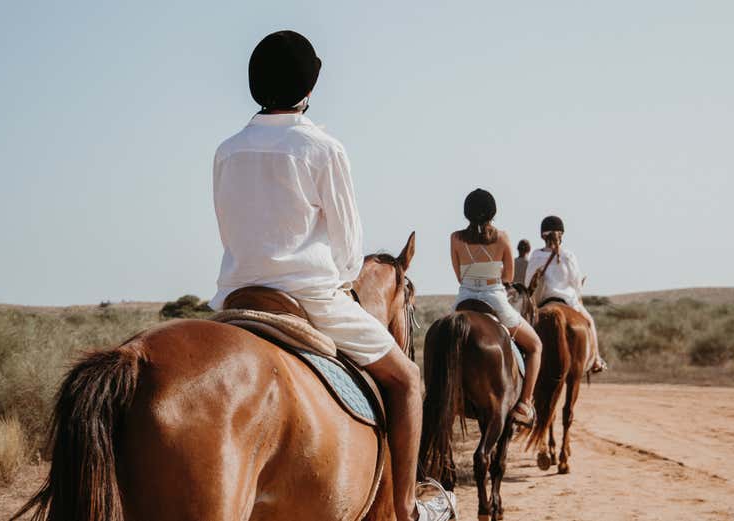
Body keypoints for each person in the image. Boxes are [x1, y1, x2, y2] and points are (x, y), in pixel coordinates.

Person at [209, 31, 453, 521]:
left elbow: (227, 229)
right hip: (311, 298)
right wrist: (342, 279)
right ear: (309, 89)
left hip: (235, 299)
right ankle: (405, 508)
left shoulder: (227, 150)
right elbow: (348, 251)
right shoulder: (321, 147)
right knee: (406, 380)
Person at [450, 189, 542, 426]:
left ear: (466, 212)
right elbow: (509, 277)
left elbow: (460, 276)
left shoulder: (455, 238)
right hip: (495, 300)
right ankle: (525, 403)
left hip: (464, 301)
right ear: (493, 212)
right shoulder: (502, 238)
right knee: (534, 346)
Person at [525, 216, 607, 373]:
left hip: (543, 302)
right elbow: (576, 284)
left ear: (542, 236)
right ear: (561, 235)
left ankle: (522, 357)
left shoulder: (536, 255)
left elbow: (528, 282)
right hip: (568, 302)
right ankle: (596, 358)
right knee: (589, 322)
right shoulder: (568, 256)